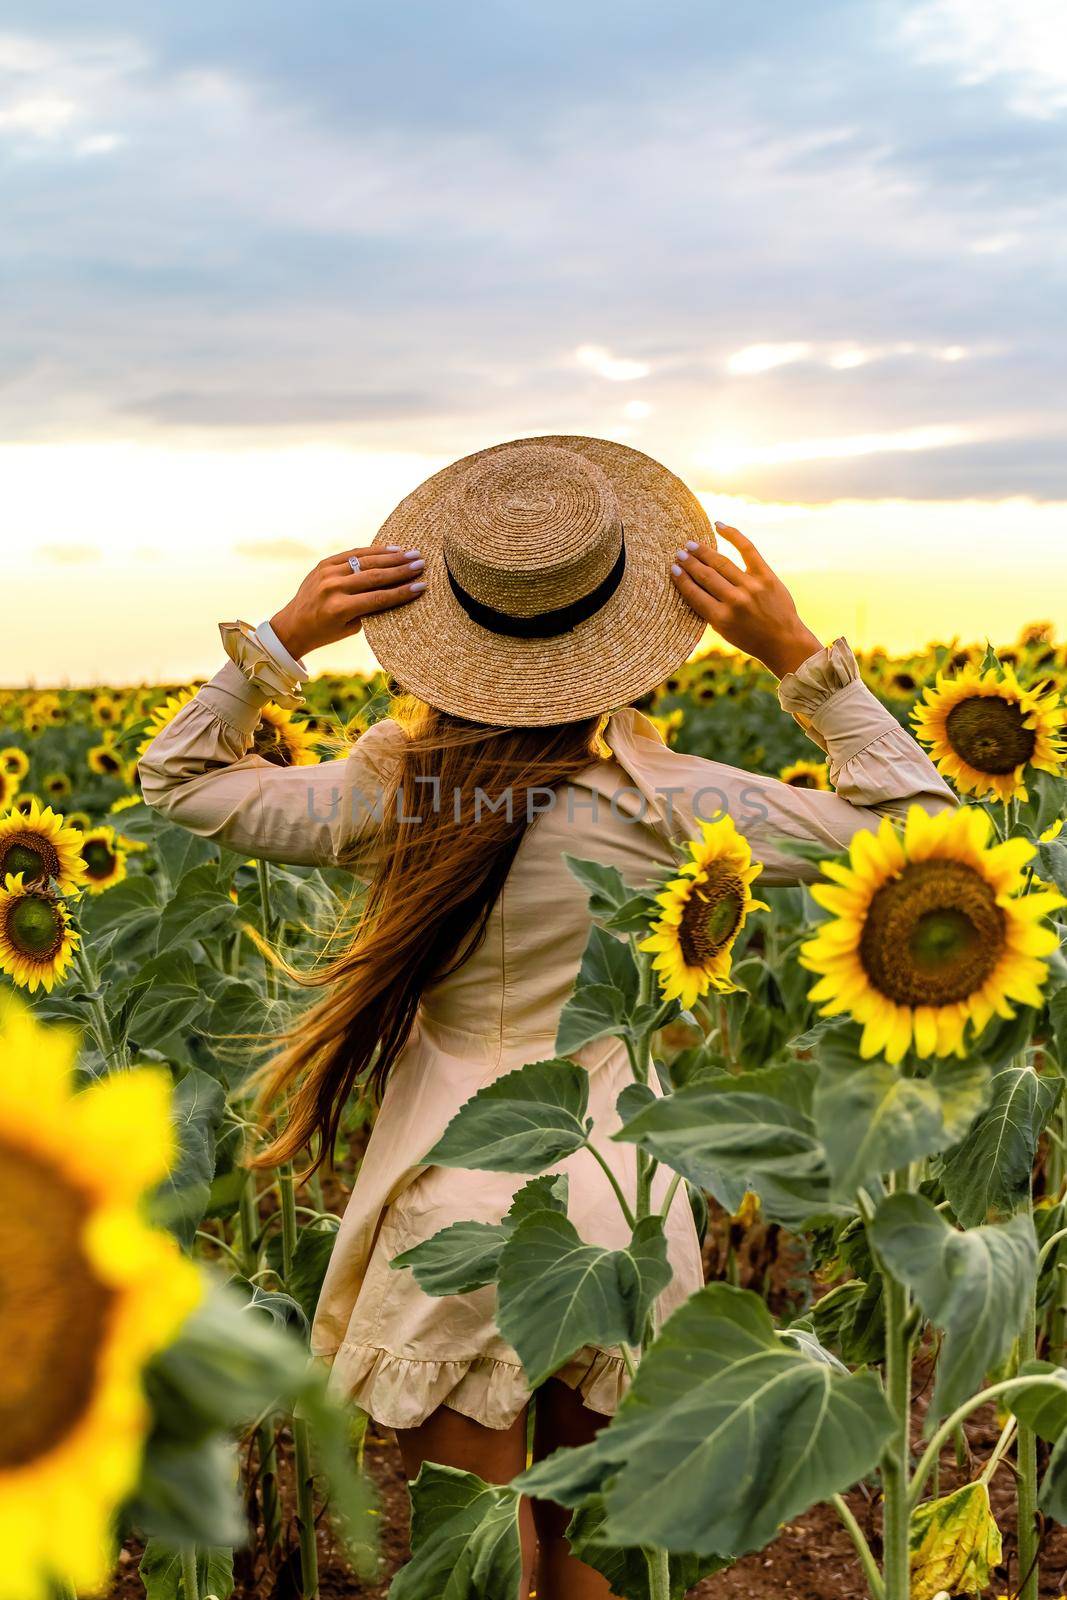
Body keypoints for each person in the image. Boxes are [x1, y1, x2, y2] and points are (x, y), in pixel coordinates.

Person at [139, 435, 954, 1598]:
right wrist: (797, 662)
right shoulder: (674, 802)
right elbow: (914, 835)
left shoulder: (394, 790)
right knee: (598, 1561)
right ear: (628, 629)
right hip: (620, 1193)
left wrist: (279, 642)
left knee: (474, 1560)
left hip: (456, 1197)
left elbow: (176, 780)